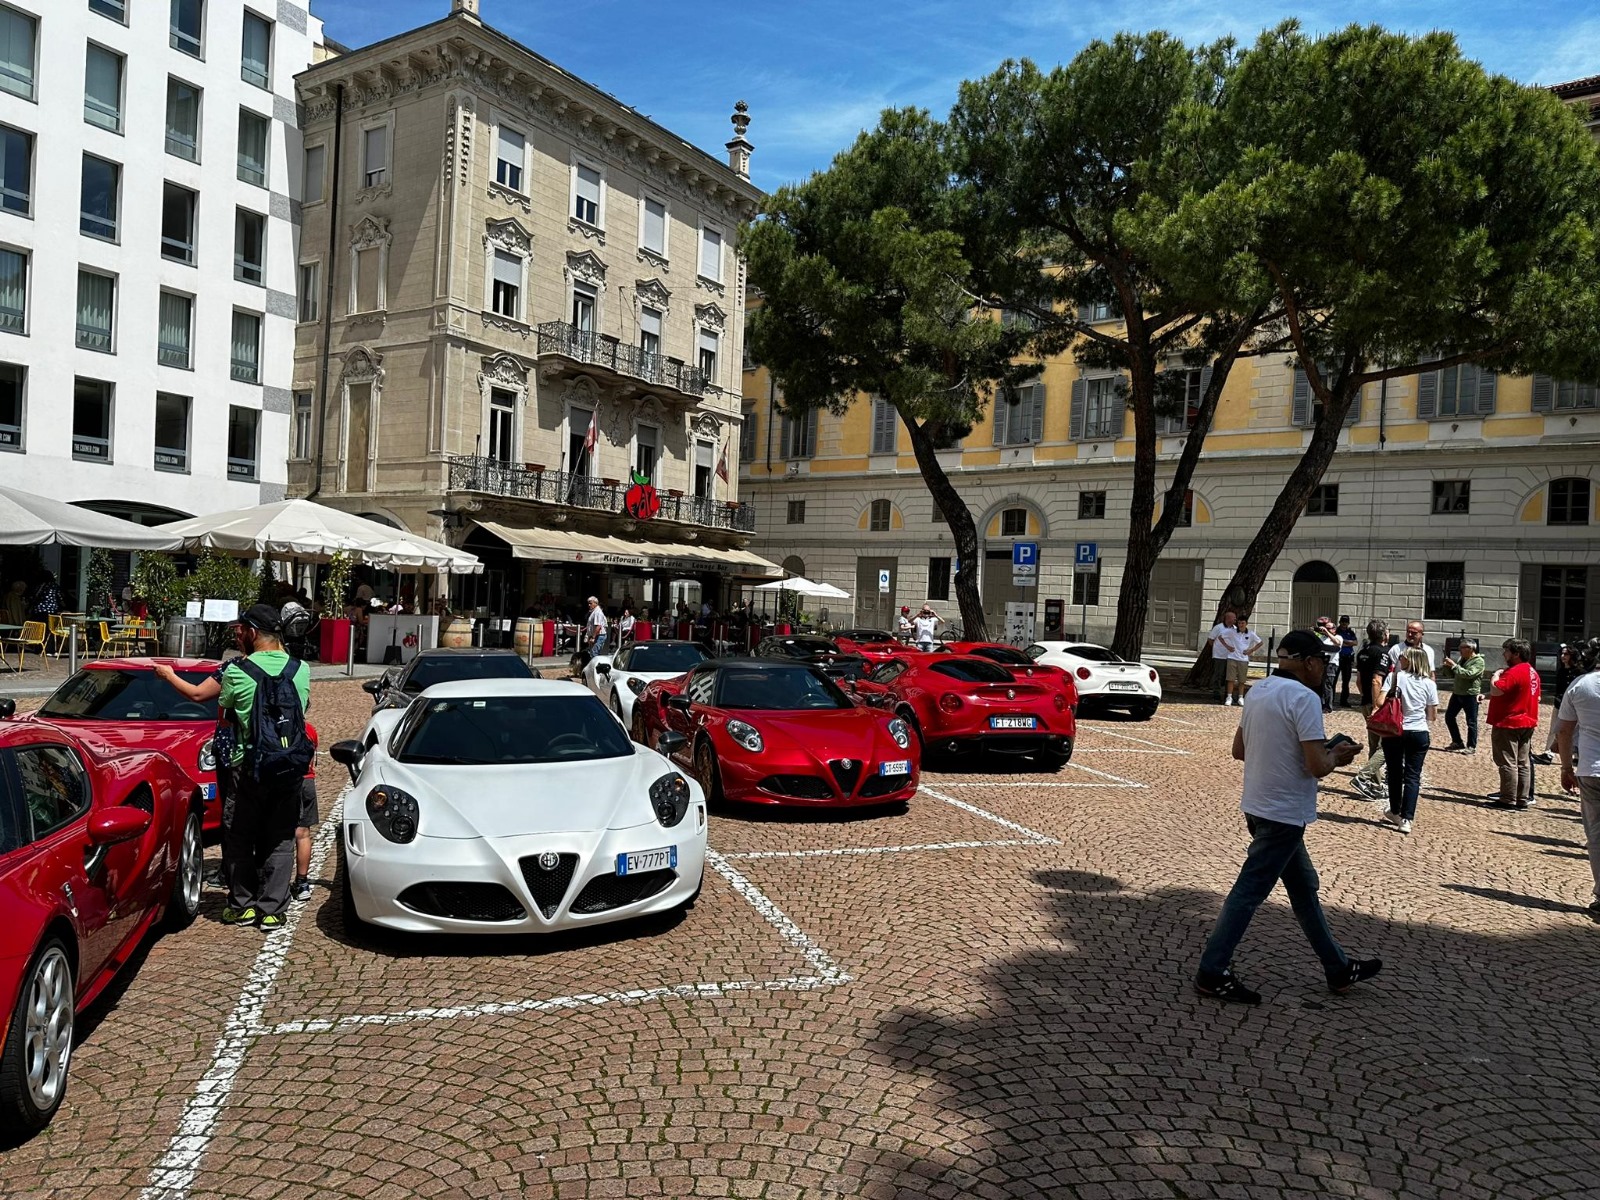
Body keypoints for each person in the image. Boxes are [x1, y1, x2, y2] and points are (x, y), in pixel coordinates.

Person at [1193, 629, 1381, 1005]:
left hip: (1258, 805)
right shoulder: (1304, 698)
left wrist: (1304, 750)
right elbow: (1317, 766)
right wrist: (1336, 754)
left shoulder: (1258, 690)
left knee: (1303, 887)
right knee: (1248, 893)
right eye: (1322, 661)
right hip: (1285, 813)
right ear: (1309, 662)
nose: (1324, 668)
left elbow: (1239, 749)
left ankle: (1337, 967)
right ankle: (1212, 971)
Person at [155, 605, 311, 928]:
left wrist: (168, 676)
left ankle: (243, 906)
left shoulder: (237, 671)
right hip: (289, 767)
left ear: (251, 633)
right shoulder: (301, 669)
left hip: (247, 767)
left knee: (239, 835)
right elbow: (303, 708)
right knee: (281, 836)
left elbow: (225, 713)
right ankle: (273, 909)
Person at [1555, 637, 1600, 919]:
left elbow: (1564, 731)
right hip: (1590, 768)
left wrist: (1565, 768)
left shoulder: (1581, 685)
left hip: (1591, 768)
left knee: (1596, 834)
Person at [1376, 647, 1438, 835]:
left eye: (1402, 657)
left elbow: (1380, 701)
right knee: (1413, 776)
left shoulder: (1395, 677)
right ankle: (1407, 819)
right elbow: (1432, 715)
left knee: (1394, 772)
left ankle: (1395, 810)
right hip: (1419, 731)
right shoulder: (1429, 683)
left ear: (1410, 660)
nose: (1400, 660)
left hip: (1396, 730)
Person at [1487, 637, 1541, 809]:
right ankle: (1521, 798)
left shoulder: (1514, 671)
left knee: (1507, 761)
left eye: (1507, 651)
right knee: (1523, 762)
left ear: (1516, 654)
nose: (1504, 654)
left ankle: (1508, 798)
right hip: (1527, 721)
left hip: (1509, 722)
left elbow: (1497, 689)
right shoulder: (1532, 671)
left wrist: (1495, 676)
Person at [1440, 639, 1486, 753]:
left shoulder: (1479, 661)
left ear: (1470, 649)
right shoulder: (1461, 659)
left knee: (1471, 721)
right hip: (1457, 693)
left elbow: (1468, 674)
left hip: (1470, 695)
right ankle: (1457, 741)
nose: (1459, 650)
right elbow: (1453, 674)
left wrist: (1454, 665)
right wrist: (1447, 666)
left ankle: (1471, 746)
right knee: (1449, 717)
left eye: (1462, 647)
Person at [1219, 616, 1262, 707]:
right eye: (1239, 623)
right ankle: (1229, 697)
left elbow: (1260, 642)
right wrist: (1228, 647)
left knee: (1242, 680)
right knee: (1230, 679)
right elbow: (1220, 637)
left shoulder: (1250, 634)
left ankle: (1240, 697)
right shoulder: (1232, 632)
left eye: (1242, 623)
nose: (1240, 625)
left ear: (1246, 623)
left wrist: (1251, 650)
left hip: (1243, 659)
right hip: (1232, 657)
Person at [1206, 610, 1239, 704]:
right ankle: (1216, 693)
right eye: (1233, 617)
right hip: (1219, 656)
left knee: (1229, 676)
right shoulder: (1218, 627)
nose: (1235, 619)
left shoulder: (1235, 628)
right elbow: (1210, 639)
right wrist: (1217, 648)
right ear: (1228, 618)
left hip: (1231, 656)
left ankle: (1227, 694)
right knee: (1218, 675)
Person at [1314, 617, 1342, 713]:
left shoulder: (1338, 637)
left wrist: (1327, 633)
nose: (1326, 629)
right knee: (1319, 684)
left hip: (1331, 664)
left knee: (1327, 685)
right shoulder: (1322, 637)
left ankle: (1328, 706)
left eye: (1329, 628)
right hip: (1321, 663)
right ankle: (1320, 704)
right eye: (1326, 628)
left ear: (1334, 629)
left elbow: (1337, 643)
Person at [1336, 616, 1358, 706]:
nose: (1344, 623)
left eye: (1346, 622)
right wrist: (1349, 643)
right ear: (1340, 622)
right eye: (1343, 622)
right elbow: (1336, 643)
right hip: (1338, 657)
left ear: (1348, 623)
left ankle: (1344, 700)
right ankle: (1330, 700)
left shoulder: (1350, 632)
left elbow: (1355, 643)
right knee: (1334, 680)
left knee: (1346, 681)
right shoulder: (1336, 631)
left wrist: (1342, 641)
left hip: (1347, 658)